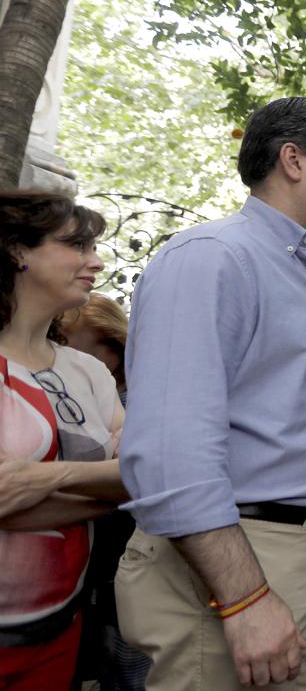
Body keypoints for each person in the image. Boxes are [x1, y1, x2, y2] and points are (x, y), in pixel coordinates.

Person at [116, 97, 306, 689]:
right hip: (236, 568)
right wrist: (244, 598)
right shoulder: (212, 259)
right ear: (293, 160)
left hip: (294, 559)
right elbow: (171, 455)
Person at [0, 192, 129, 690]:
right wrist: (105, 488)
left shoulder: (90, 371)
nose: (95, 261)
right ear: (17, 251)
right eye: (77, 245)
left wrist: (41, 480)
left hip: (61, 628)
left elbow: (144, 477)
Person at [60, 294, 153, 690]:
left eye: (77, 350)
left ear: (114, 348)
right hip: (89, 574)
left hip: (124, 571)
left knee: (130, 674)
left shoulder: (140, 406)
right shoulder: (75, 400)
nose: (66, 360)